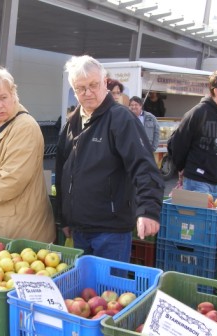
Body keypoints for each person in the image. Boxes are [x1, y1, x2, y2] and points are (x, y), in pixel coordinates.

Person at [55, 55, 164, 263]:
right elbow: (63, 172)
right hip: (79, 229)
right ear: (74, 90)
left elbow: (144, 167)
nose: (88, 93)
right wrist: (64, 217)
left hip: (110, 231)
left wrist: (148, 210)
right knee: (82, 293)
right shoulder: (72, 123)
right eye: (80, 88)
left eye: (93, 85)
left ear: (104, 82)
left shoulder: (121, 119)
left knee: (108, 291)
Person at [0, 67, 55, 243]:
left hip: (24, 226)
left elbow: (12, 180)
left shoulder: (25, 127)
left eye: (3, 97)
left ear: (14, 93)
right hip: (1, 218)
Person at [169, 69, 217, 193]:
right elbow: (176, 143)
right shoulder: (199, 112)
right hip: (197, 181)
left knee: (212, 213)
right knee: (199, 213)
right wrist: (182, 168)